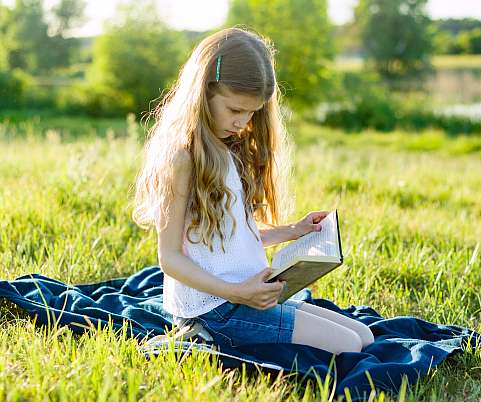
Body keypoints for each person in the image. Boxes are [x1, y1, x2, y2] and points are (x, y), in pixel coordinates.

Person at [132, 27, 374, 354]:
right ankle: (196, 335)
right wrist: (236, 293)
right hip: (216, 308)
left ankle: (210, 331)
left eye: (252, 112)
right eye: (235, 110)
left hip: (247, 294)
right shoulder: (182, 158)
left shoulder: (230, 147)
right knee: (349, 346)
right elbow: (170, 258)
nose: (243, 121)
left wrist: (293, 231)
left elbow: (228, 237)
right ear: (203, 93)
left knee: (364, 336)